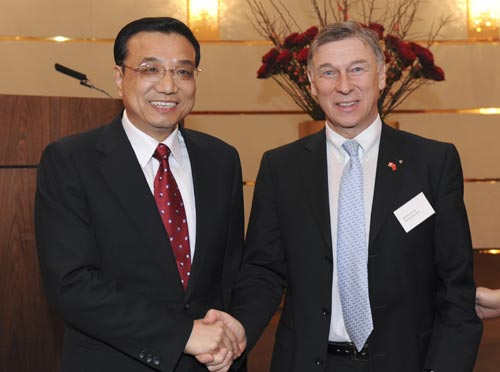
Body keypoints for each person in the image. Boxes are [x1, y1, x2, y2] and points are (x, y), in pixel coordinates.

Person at [225, 21, 482, 372]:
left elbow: (455, 287)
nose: (344, 86)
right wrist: (235, 329)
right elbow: (263, 271)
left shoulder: (433, 164)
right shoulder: (280, 167)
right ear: (313, 85)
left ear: (382, 76)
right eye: (328, 73)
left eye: (357, 69)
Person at [35, 17, 246, 372]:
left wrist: (230, 335)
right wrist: (182, 334)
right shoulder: (70, 160)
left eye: (183, 72)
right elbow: (71, 284)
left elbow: (230, 272)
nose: (168, 86)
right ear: (120, 77)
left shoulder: (222, 159)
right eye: (151, 69)